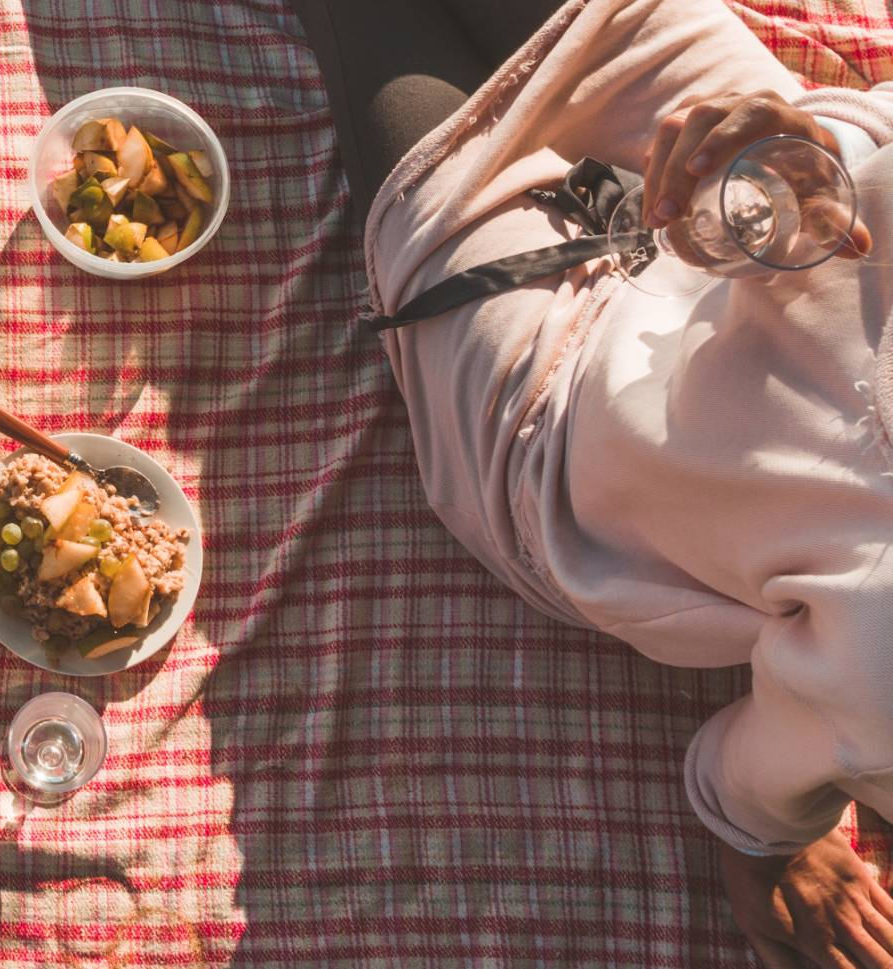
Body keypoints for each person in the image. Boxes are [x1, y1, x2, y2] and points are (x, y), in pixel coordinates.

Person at [293, 0, 893, 966]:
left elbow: (743, 783)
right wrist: (809, 160)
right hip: (762, 193)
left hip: (552, 407)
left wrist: (773, 833)